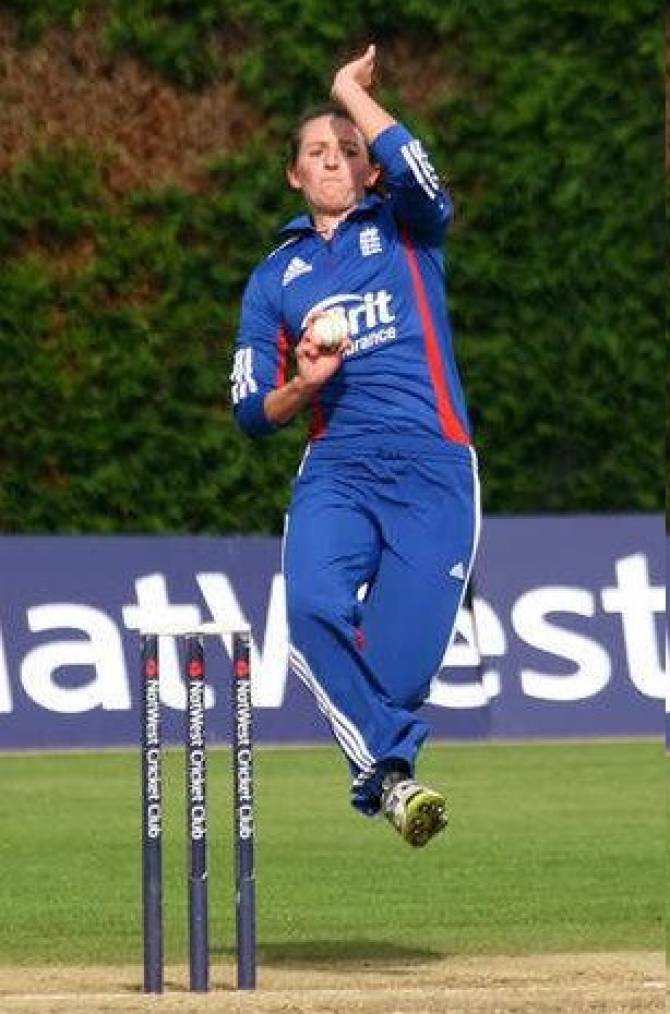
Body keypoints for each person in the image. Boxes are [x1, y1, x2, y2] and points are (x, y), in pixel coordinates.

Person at [231, 44, 480, 847]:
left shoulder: (408, 228)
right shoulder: (275, 278)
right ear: (293, 176)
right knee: (309, 610)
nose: (334, 159)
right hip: (338, 468)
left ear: (371, 171)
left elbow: (422, 174)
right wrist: (304, 384)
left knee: (395, 677)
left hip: (434, 465)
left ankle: (387, 772)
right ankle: (394, 774)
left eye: (348, 149)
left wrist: (349, 91)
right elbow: (250, 410)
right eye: (316, 150)